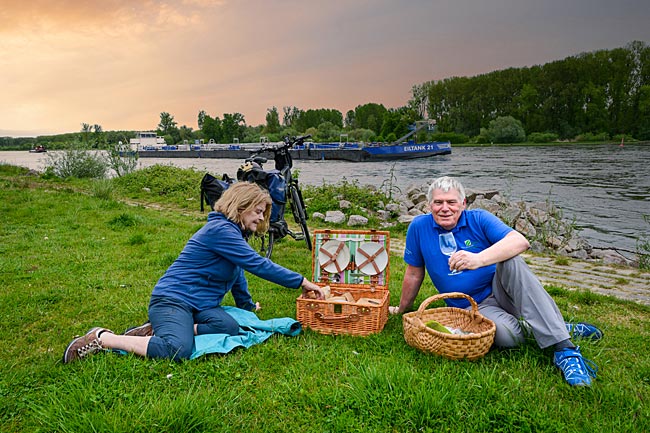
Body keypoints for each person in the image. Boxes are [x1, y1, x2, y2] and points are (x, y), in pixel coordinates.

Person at [63, 182, 324, 363]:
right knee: (178, 349)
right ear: (241, 206)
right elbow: (257, 264)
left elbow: (239, 272)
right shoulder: (220, 230)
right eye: (257, 211)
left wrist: (245, 306)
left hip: (199, 305)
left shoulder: (233, 235)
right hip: (172, 299)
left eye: (262, 213)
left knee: (230, 326)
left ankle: (154, 332)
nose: (260, 217)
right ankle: (103, 338)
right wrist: (301, 281)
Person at [389, 176, 602, 387]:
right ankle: (552, 325)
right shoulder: (419, 227)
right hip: (474, 307)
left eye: (451, 202)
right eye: (438, 202)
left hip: (503, 290)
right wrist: (402, 309)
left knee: (511, 260)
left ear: (463, 203)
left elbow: (520, 241)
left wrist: (478, 259)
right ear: (429, 205)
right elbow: (414, 273)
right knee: (510, 339)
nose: (445, 208)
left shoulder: (479, 218)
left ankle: (564, 349)